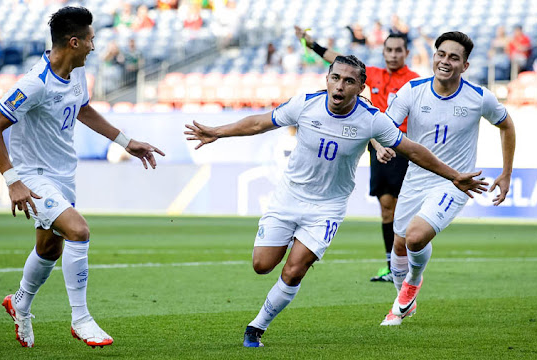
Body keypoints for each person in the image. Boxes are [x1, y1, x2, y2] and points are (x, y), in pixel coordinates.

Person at [184, 54, 487, 347]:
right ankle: (293, 245)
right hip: (288, 198)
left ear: (360, 88)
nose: (340, 86)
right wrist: (217, 133)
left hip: (327, 208)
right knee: (262, 266)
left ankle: (256, 327)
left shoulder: (372, 120)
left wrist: (453, 175)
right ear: (327, 79)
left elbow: (413, 149)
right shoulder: (305, 104)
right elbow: (258, 123)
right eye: (335, 78)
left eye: (349, 81)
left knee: (293, 271)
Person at [0, 6, 165, 348]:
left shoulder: (77, 73)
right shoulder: (33, 84)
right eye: (91, 40)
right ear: (75, 42)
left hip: (63, 175)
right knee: (79, 231)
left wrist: (127, 142)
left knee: (50, 249)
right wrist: (12, 180)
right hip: (33, 176)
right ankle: (81, 319)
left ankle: (19, 302)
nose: (95, 47)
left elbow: (82, 109)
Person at [377, 31, 516, 326]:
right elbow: (385, 127)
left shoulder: (479, 98)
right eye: (441, 54)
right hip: (415, 180)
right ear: (433, 56)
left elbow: (507, 125)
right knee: (399, 246)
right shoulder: (412, 90)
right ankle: (406, 298)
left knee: (415, 238)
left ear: (465, 66)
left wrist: (506, 173)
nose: (445, 61)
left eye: (454, 57)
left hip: (455, 183)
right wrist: (379, 146)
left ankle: (410, 289)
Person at [295, 26, 420, 283]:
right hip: (378, 147)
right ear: (383, 52)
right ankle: (391, 265)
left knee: (401, 208)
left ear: (406, 53)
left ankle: (406, 263)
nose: (393, 55)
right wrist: (312, 45)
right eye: (389, 50)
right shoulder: (372, 75)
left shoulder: (414, 81)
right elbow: (338, 61)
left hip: (402, 147)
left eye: (398, 50)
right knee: (386, 208)